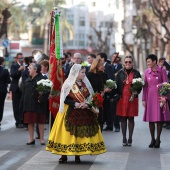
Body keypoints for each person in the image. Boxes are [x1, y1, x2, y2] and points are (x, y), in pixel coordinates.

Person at [46, 64, 106, 163]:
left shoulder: (85, 84)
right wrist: (75, 103)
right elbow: (64, 98)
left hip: (84, 111)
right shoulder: (68, 83)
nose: (84, 74)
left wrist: (88, 104)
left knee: (80, 133)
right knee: (66, 133)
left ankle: (78, 154)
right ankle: (63, 155)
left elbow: (91, 97)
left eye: (84, 72)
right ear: (76, 73)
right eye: (82, 72)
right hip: (70, 110)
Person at [142, 54, 170, 148]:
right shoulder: (147, 72)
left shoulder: (162, 70)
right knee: (151, 119)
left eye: (149, 61)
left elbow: (166, 85)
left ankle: (158, 139)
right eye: (147, 62)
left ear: (154, 61)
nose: (148, 63)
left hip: (160, 97)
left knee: (159, 119)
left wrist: (164, 97)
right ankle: (152, 139)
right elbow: (145, 87)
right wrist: (143, 99)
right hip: (149, 97)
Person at [20, 63, 49, 145]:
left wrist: (41, 99)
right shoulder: (28, 79)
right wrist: (22, 103)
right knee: (30, 121)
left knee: (40, 121)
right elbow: (24, 92)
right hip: (28, 104)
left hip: (38, 103)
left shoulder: (42, 79)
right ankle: (31, 138)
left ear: (35, 70)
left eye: (30, 68)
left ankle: (42, 139)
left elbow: (46, 91)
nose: (28, 70)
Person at [116, 56, 141, 146]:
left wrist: (136, 91)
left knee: (131, 118)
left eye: (130, 62)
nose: (128, 64)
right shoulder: (120, 73)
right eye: (126, 62)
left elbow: (140, 85)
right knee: (123, 118)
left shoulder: (136, 73)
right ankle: (124, 138)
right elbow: (116, 85)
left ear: (132, 63)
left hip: (132, 98)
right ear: (124, 63)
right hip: (122, 98)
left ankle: (130, 138)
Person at [87, 58, 108, 130]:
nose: (103, 66)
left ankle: (100, 138)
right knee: (93, 120)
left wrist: (108, 90)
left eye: (103, 64)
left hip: (103, 101)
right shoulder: (89, 75)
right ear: (96, 65)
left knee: (101, 120)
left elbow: (107, 85)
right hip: (92, 100)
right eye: (101, 65)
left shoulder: (104, 75)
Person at [10, 53, 25, 128]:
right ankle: (18, 121)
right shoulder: (14, 66)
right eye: (20, 58)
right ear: (17, 59)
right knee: (16, 105)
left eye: (22, 58)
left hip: (23, 88)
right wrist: (19, 70)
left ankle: (22, 120)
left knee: (22, 105)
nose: (21, 60)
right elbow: (12, 75)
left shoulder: (25, 66)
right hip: (16, 88)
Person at [0, 57, 11, 128]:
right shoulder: (5, 70)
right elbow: (9, 81)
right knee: (1, 106)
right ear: (2, 62)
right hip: (2, 90)